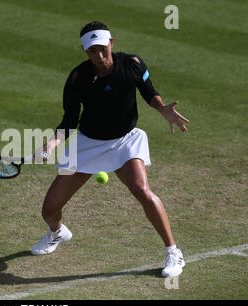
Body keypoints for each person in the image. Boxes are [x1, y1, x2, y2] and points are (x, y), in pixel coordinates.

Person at [31, 21, 189, 277]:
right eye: (93, 51)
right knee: (49, 209)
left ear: (111, 43)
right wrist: (51, 144)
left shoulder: (132, 64)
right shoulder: (77, 78)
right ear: (86, 53)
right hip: (88, 145)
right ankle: (58, 233)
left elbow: (150, 93)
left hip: (125, 141)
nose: (100, 56)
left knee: (141, 190)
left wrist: (163, 109)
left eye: (103, 49)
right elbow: (69, 120)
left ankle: (173, 252)